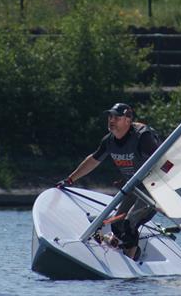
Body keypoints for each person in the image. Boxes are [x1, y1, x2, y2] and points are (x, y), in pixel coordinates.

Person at [58, 102, 160, 261]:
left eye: (116, 117)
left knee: (129, 223)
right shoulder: (109, 141)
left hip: (152, 189)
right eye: (110, 116)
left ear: (127, 120)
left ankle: (130, 264)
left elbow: (162, 162)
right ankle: (132, 251)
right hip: (133, 187)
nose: (111, 120)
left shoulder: (143, 138)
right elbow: (93, 160)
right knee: (117, 225)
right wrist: (70, 179)